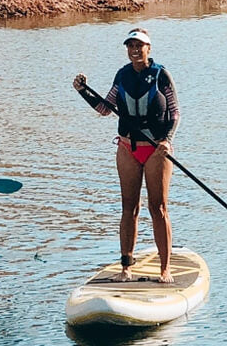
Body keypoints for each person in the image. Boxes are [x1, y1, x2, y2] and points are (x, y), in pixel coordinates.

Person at [73, 27, 180, 283]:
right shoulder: (122, 75)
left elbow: (175, 113)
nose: (134, 50)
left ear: (148, 48)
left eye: (139, 46)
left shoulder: (160, 75)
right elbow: (104, 108)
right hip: (127, 148)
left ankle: (164, 270)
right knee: (129, 207)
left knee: (159, 208)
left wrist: (167, 140)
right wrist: (83, 90)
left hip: (156, 150)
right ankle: (126, 268)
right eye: (130, 46)